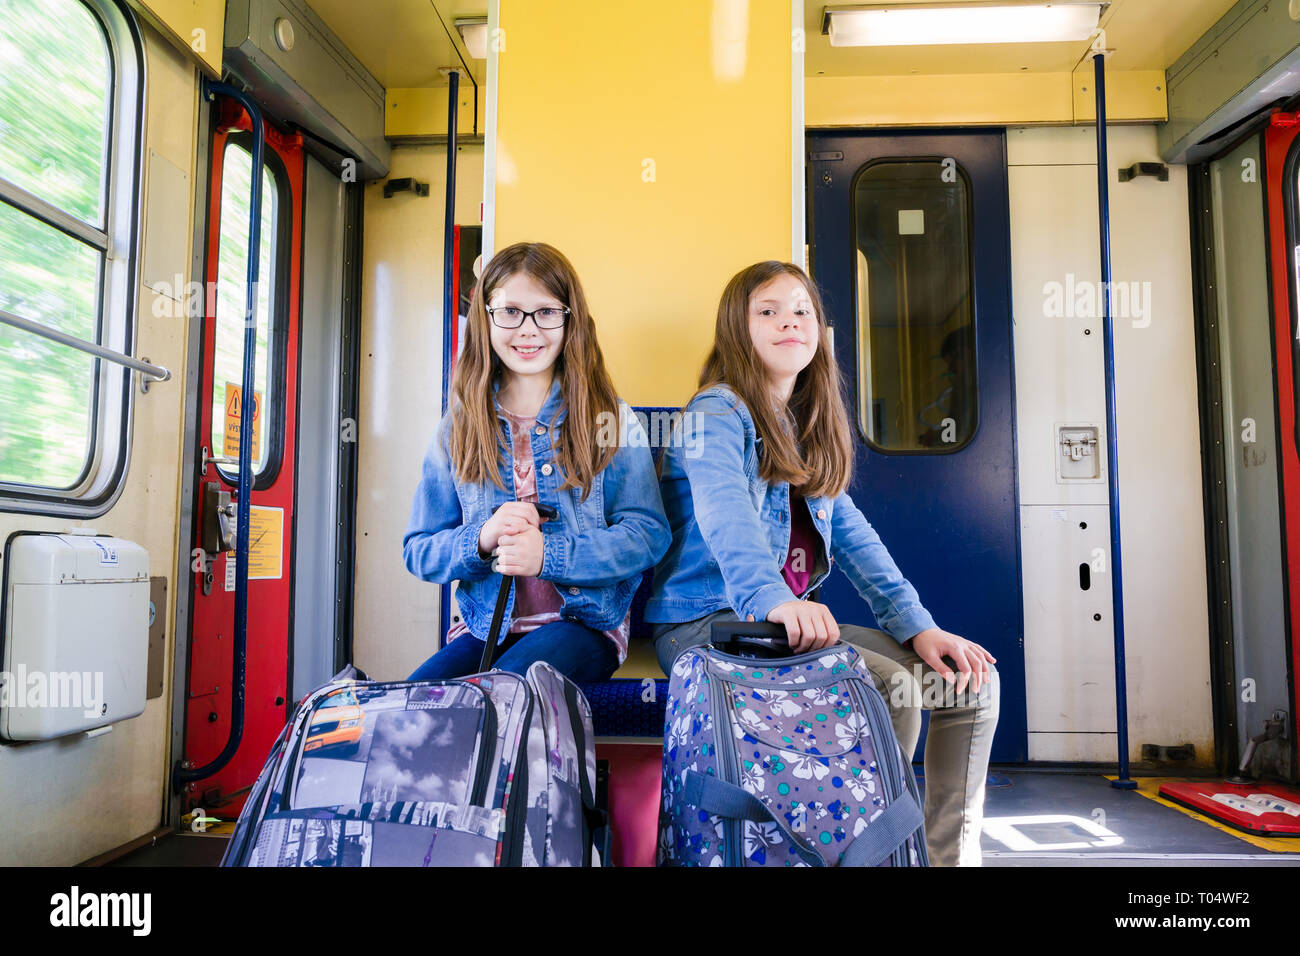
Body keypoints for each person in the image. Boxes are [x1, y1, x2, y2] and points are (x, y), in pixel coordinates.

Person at [644, 260, 999, 866]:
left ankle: (940, 859)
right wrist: (776, 600)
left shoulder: (805, 424)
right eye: (768, 311)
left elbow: (857, 540)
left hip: (779, 626)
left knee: (968, 685)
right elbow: (725, 514)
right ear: (738, 328)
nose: (790, 321)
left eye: (802, 310)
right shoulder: (716, 413)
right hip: (710, 624)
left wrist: (921, 627)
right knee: (894, 690)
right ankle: (872, 851)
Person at [403, 241, 669, 682]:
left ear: (570, 321)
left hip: (585, 623)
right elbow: (419, 550)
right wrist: (482, 539)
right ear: (485, 319)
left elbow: (647, 535)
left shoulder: (609, 418)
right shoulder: (459, 427)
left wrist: (549, 555)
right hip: (485, 625)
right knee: (416, 708)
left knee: (503, 693)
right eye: (509, 311)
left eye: (546, 312)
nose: (528, 329)